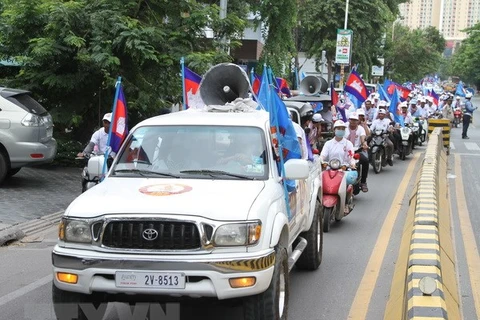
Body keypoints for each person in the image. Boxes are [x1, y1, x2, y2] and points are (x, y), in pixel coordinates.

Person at [345, 113, 369, 192]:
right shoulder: (344, 127)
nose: (353, 122)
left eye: (355, 120)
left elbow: (363, 138)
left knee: (365, 161)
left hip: (356, 151)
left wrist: (364, 144)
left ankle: (363, 182)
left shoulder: (361, 129)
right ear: (349, 120)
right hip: (345, 151)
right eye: (351, 120)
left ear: (357, 121)